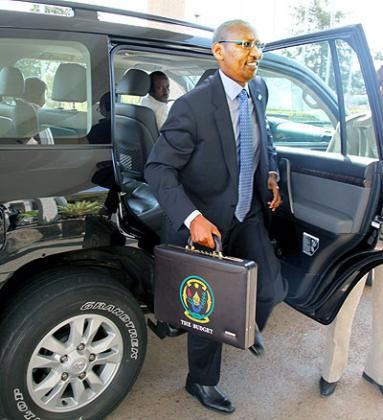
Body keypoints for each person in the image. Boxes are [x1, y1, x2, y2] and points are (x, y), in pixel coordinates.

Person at [145, 19, 287, 414]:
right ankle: (200, 381)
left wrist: (271, 173)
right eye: (244, 44)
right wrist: (192, 218)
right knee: (206, 310)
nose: (254, 53)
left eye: (258, 45)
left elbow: (264, 139)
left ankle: (242, 324)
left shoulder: (257, 89)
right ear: (218, 50)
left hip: (248, 212)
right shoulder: (192, 106)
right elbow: (157, 169)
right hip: (205, 224)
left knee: (271, 290)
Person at [319, 66, 383, 397]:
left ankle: (378, 372)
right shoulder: (354, 127)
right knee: (343, 301)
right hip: (358, 235)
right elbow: (332, 178)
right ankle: (331, 371)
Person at [22, 76, 54, 144]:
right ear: (40, 96)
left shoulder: (15, 111)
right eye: (45, 95)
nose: (45, 100)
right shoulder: (35, 117)